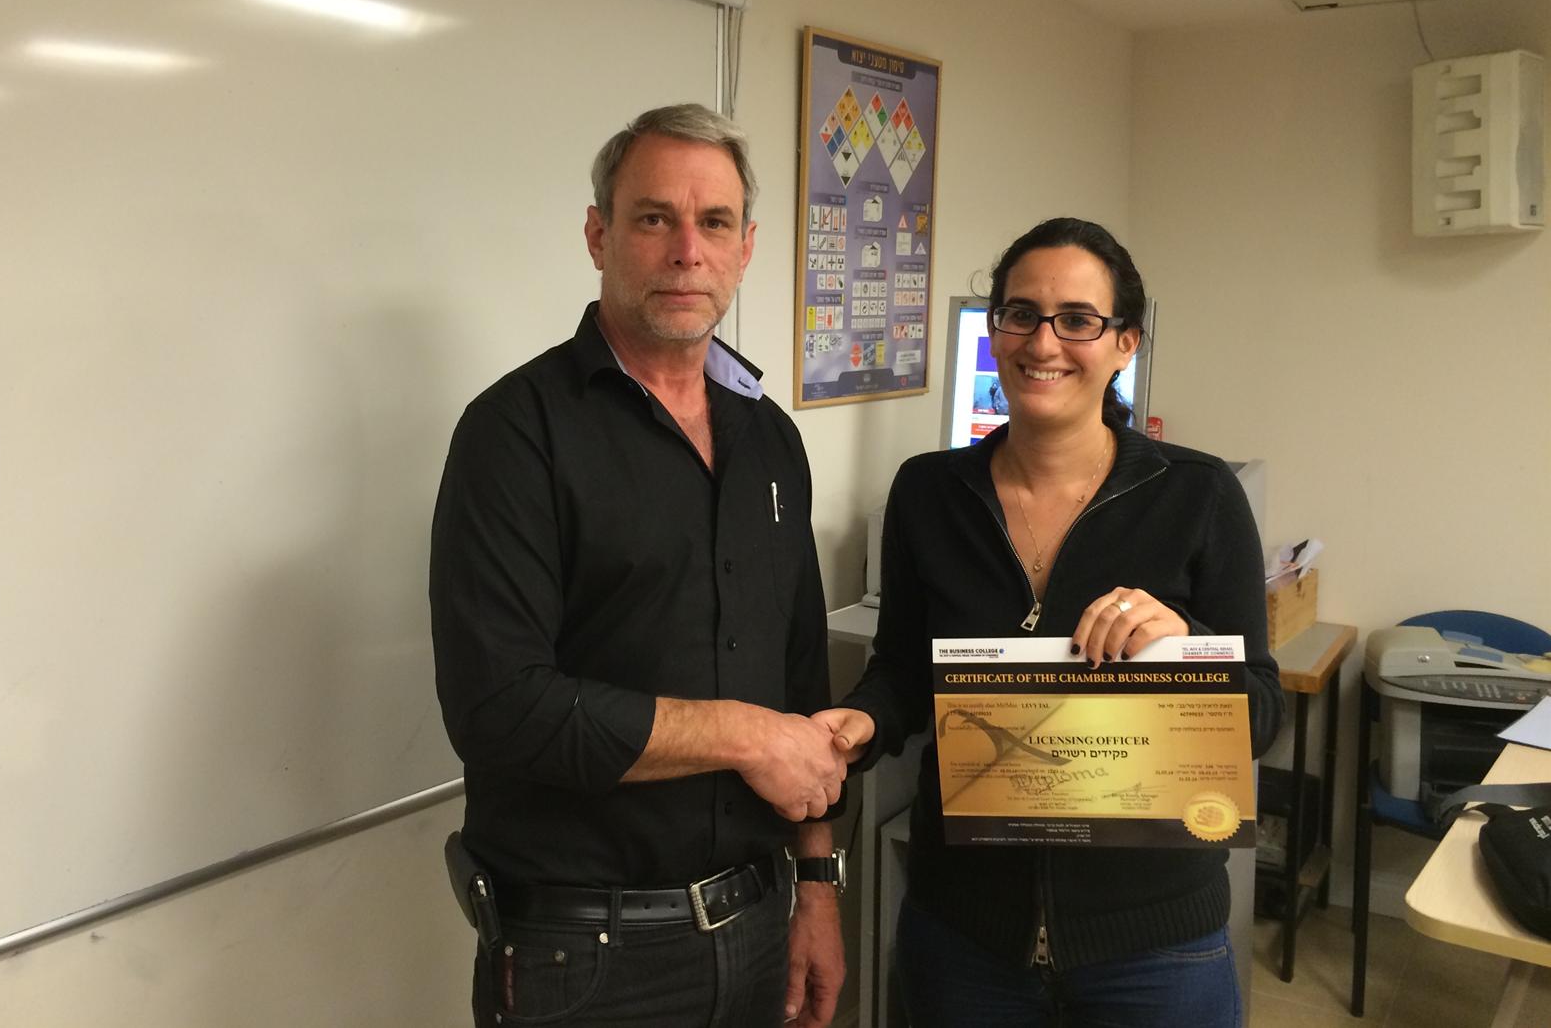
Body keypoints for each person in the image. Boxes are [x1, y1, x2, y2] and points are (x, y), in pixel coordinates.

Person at [430, 104, 847, 1028]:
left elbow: (800, 681)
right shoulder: (515, 433)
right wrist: (743, 734)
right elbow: (500, 708)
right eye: (654, 217)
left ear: (745, 248)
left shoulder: (770, 438)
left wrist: (817, 883)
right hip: (584, 957)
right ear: (599, 234)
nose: (686, 251)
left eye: (714, 223)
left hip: (756, 925)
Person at [816, 218, 1283, 1027]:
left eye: (1076, 319)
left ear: (1124, 343)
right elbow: (903, 672)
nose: (1043, 342)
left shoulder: (1199, 496)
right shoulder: (928, 492)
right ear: (995, 330)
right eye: (1020, 314)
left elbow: (1262, 714)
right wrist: (862, 719)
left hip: (1154, 949)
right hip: (963, 938)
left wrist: (1179, 644)